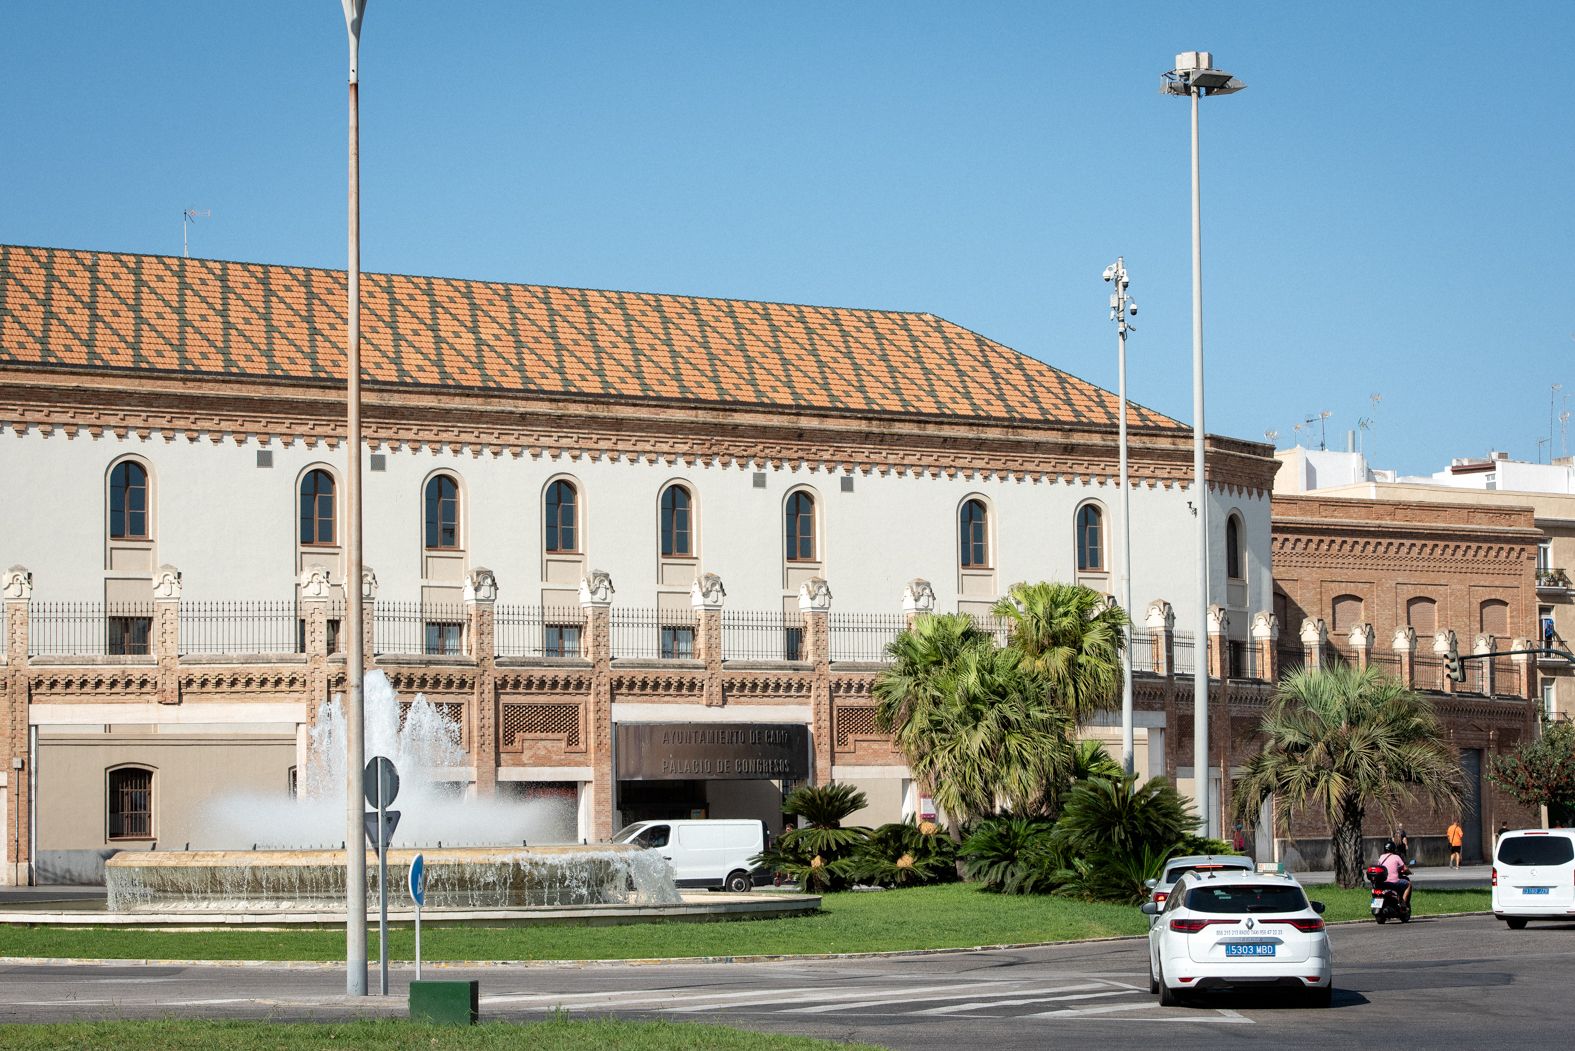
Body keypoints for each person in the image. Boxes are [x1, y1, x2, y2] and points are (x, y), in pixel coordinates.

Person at [1377, 840, 1412, 906]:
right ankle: (1403, 903)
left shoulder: (1381, 857)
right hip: (1394, 882)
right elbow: (1405, 868)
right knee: (1408, 884)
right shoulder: (1396, 857)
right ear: (1393, 849)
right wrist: (1410, 872)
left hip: (1383, 883)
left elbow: (1379, 867)